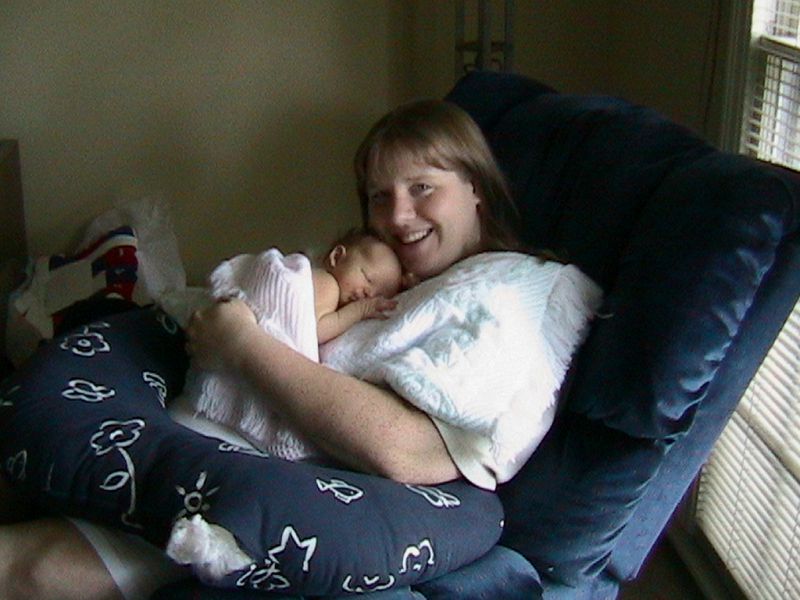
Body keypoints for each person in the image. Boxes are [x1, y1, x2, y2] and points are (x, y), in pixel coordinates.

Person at [0, 99, 600, 599]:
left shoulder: (511, 291)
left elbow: (412, 452)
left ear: (476, 188)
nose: (397, 216)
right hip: (203, 418)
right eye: (379, 196)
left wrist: (242, 345)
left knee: (30, 567)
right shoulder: (400, 276)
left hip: (270, 476)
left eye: (422, 187)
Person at [187, 228, 402, 460]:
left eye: (378, 293)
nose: (369, 293)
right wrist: (361, 311)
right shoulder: (327, 284)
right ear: (337, 257)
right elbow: (317, 329)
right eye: (368, 278)